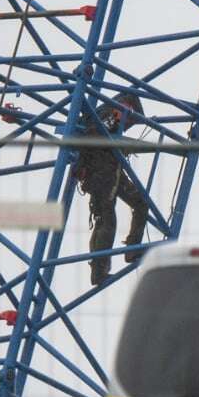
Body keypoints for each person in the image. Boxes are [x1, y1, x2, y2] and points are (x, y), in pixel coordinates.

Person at [73, 93, 148, 285]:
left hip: (112, 171)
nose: (128, 119)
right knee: (106, 221)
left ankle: (132, 248)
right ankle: (99, 270)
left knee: (141, 203)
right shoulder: (107, 117)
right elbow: (91, 137)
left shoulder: (111, 120)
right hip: (100, 175)